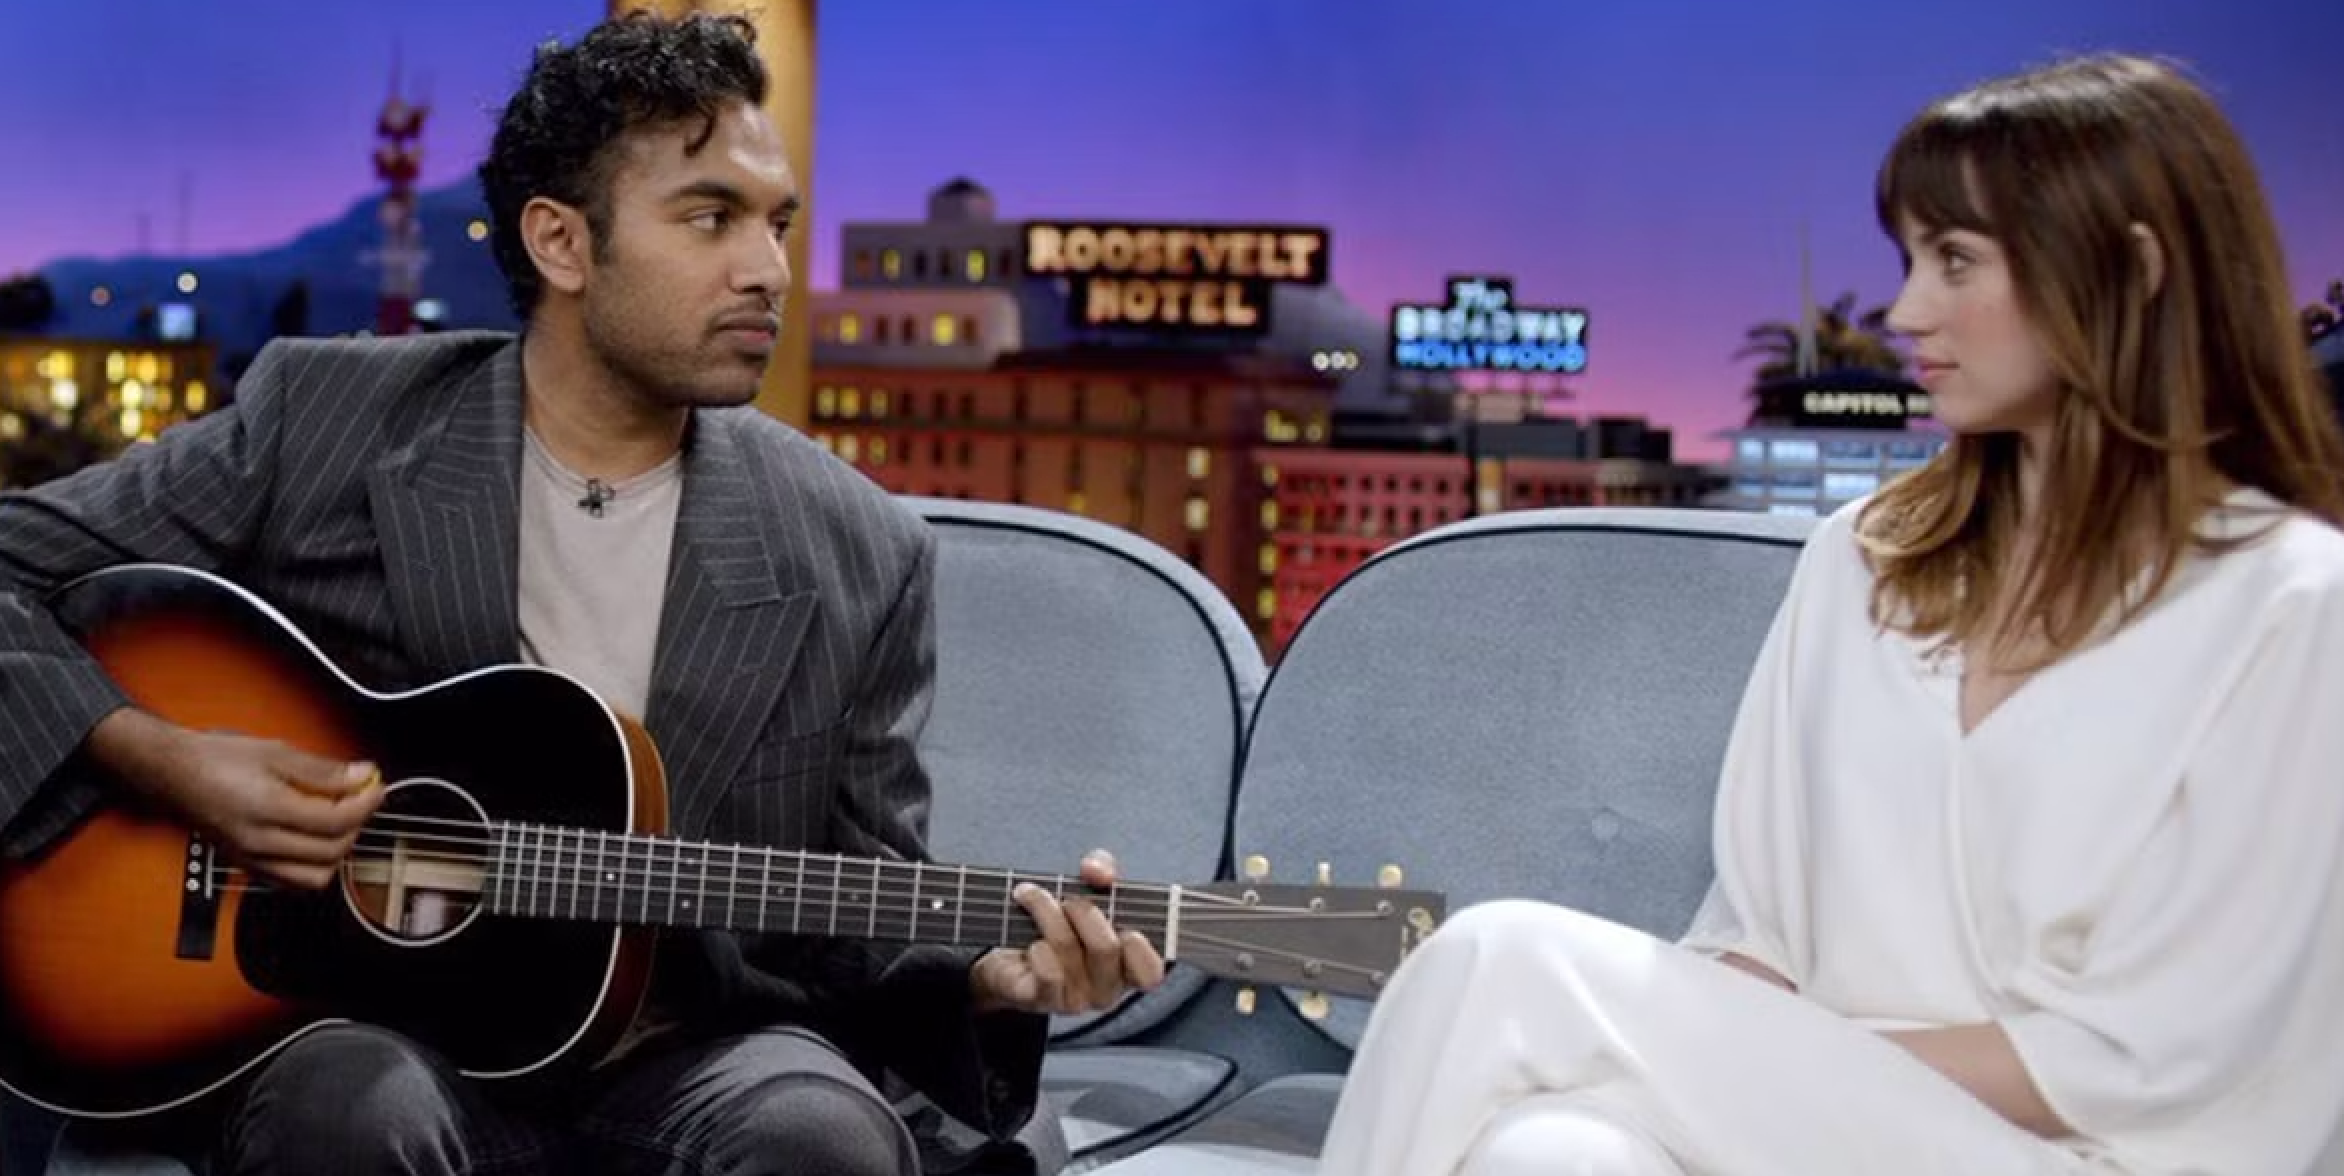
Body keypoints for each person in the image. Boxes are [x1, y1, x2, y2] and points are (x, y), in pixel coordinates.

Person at [0, 11, 1163, 1175]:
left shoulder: (858, 545)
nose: (766, 268)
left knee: (824, 1136)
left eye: (777, 224)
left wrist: (995, 981)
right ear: (561, 244)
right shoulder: (325, 417)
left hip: (683, 1049)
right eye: (710, 217)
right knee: (356, 1109)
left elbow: (858, 927)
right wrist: (160, 755)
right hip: (355, 1030)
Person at [1316, 52, 2344, 1176]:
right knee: (1548, 1149)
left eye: (1955, 259)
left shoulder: (2294, 605)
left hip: (2099, 1154)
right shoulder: (1861, 560)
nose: (1907, 311)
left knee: (1499, 961)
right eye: (1908, 260)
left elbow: (2140, 1062)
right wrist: (1751, 1061)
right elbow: (1755, 942)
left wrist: (1776, 1061)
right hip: (1806, 1118)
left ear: (2133, 269)